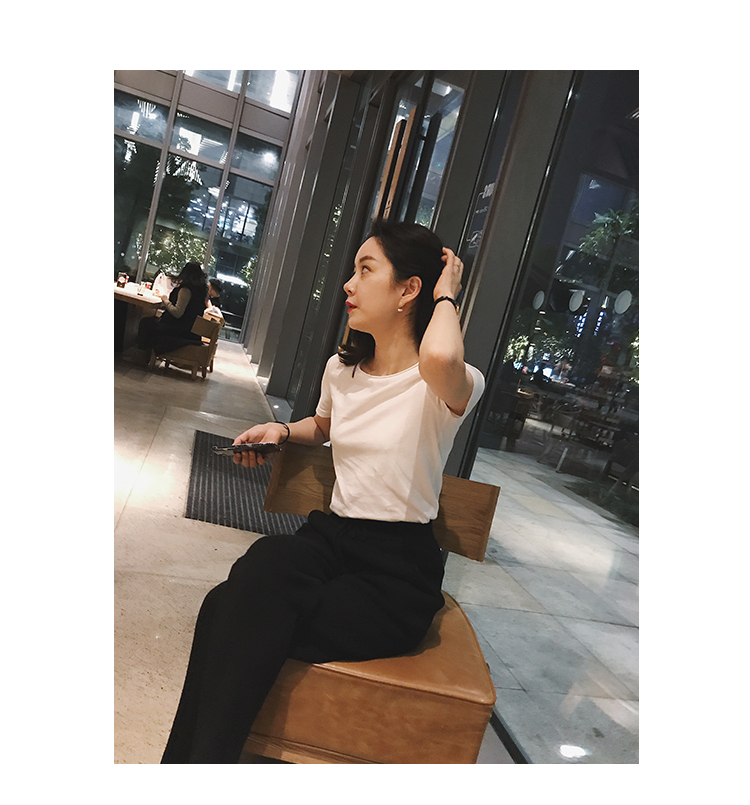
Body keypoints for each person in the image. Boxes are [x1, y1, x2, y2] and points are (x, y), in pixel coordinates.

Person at [160, 221, 485, 764]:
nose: (348, 285)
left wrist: (447, 290)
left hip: (396, 569)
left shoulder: (445, 381)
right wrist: (282, 431)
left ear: (409, 289)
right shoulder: (343, 369)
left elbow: (440, 358)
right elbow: (325, 426)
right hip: (330, 539)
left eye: (366, 270)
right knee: (259, 570)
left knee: (228, 612)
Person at [137, 262, 208, 355]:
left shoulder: (186, 290)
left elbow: (177, 313)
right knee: (151, 322)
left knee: (146, 323)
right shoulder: (200, 292)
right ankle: (147, 356)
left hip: (179, 331)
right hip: (191, 332)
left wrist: (165, 300)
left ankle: (141, 355)